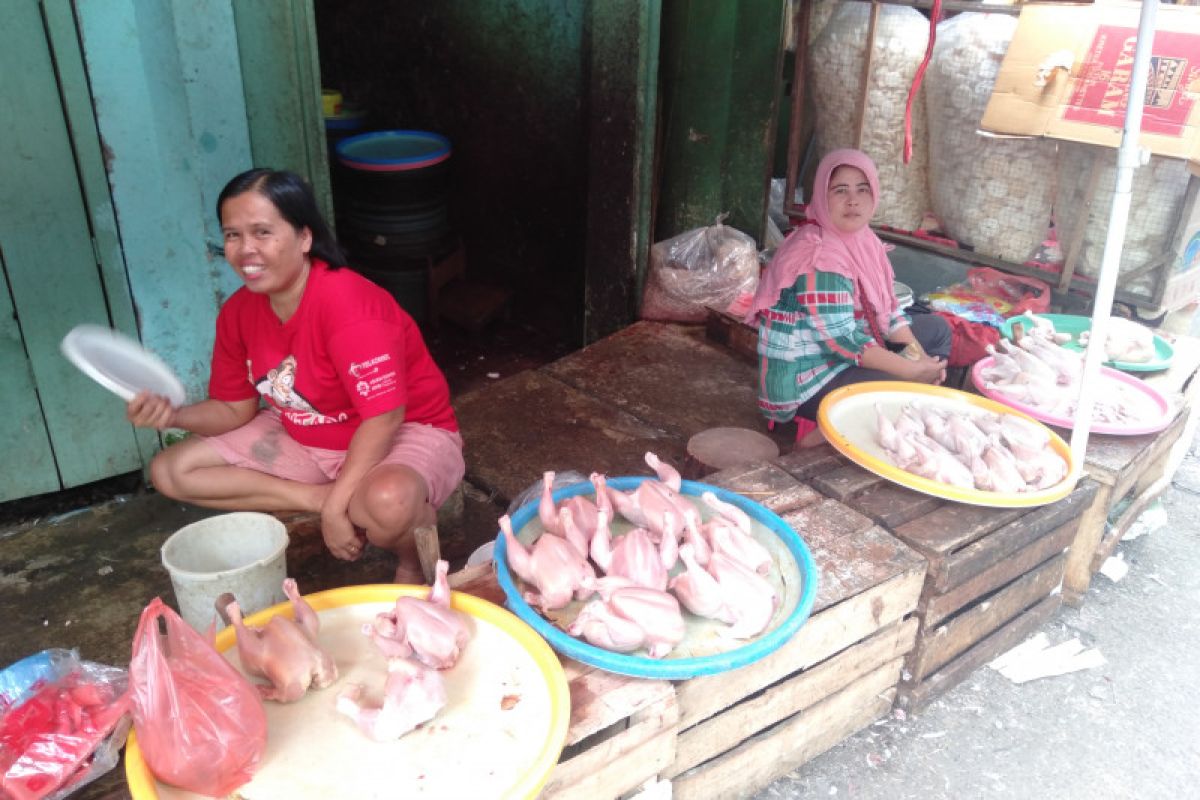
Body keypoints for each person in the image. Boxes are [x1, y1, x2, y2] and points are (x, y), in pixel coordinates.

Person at [127, 168, 464, 583]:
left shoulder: (348, 305)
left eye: (262, 232)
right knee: (171, 471)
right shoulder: (239, 313)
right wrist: (172, 415)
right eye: (232, 235)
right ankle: (317, 496)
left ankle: (412, 562)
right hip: (305, 432)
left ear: (304, 238)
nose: (245, 249)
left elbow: (385, 418)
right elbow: (233, 409)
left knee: (389, 502)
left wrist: (342, 508)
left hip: (406, 430)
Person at [744, 148, 951, 448]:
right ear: (822, 197)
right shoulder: (819, 256)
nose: (853, 200)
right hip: (806, 381)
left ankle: (890, 405)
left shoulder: (863, 241)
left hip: (843, 359)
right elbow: (843, 340)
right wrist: (910, 371)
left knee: (937, 330)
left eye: (862, 189)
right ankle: (813, 441)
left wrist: (919, 360)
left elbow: (889, 311)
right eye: (840, 190)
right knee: (899, 385)